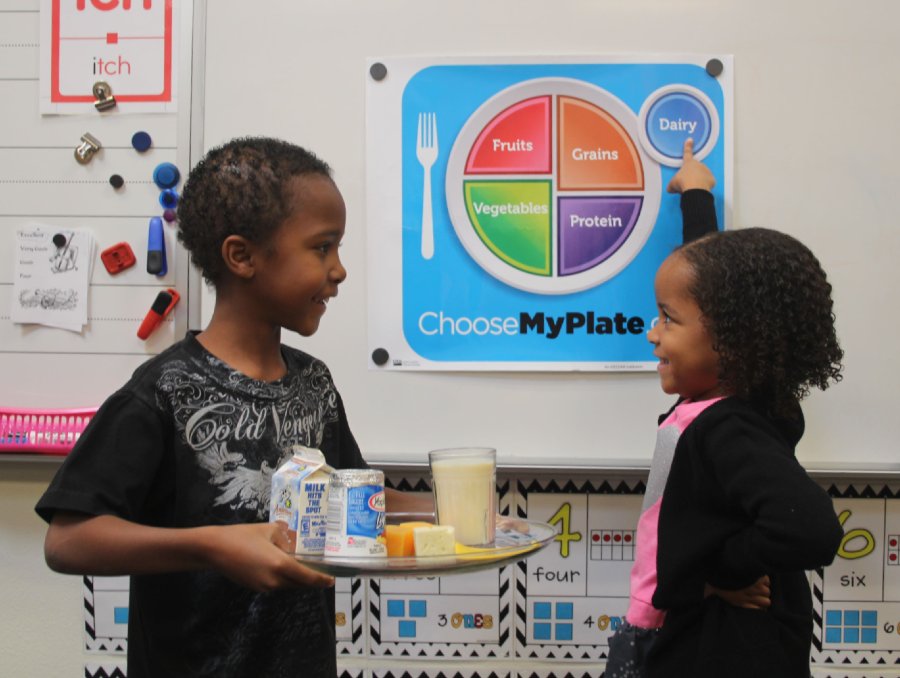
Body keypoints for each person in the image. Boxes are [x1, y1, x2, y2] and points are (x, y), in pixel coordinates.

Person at [35, 137, 427, 678]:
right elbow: (69, 540)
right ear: (241, 256)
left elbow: (356, 492)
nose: (338, 271)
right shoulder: (162, 391)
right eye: (321, 248)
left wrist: (459, 515)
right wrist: (215, 547)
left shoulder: (314, 382)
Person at [605, 140, 845, 678]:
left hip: (718, 645)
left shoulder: (730, 424)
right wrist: (696, 191)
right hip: (670, 622)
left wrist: (720, 569)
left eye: (667, 318)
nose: (652, 333)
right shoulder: (718, 399)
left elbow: (811, 528)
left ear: (731, 341)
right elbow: (710, 280)